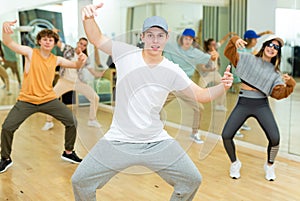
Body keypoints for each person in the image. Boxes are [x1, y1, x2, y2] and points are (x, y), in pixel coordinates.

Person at [71, 3, 233, 201]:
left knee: (192, 180)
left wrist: (223, 86)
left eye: (160, 36)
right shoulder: (126, 54)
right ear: (142, 37)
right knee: (80, 181)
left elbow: (201, 95)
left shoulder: (172, 70)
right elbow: (96, 38)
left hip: (156, 141)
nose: (155, 40)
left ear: (167, 38)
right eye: (150, 35)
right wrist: (88, 18)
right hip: (118, 140)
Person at [0, 20, 86, 173]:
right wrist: (5, 30)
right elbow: (9, 43)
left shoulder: (56, 59)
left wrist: (80, 61)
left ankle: (68, 152)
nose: (47, 42)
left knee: (72, 121)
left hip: (48, 100)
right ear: (39, 41)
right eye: (44, 39)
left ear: (54, 43)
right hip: (26, 101)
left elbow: (76, 66)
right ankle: (5, 158)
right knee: (7, 127)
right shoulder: (30, 52)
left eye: (51, 40)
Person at [221, 34, 296, 181]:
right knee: (226, 135)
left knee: (275, 138)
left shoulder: (275, 74)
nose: (272, 48)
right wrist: (234, 40)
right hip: (243, 102)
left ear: (278, 52)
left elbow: (279, 94)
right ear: (265, 45)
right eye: (270, 44)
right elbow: (229, 52)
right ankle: (235, 163)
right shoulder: (248, 59)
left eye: (276, 47)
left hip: (261, 105)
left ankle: (269, 165)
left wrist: (291, 84)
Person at [163, 28, 219, 144]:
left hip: (185, 86)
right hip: (171, 85)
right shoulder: (172, 48)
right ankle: (149, 129)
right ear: (182, 39)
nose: (188, 41)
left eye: (190, 39)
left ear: (193, 40)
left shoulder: (196, 53)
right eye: (186, 38)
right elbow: (161, 42)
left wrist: (214, 55)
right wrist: (164, 33)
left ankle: (194, 133)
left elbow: (211, 58)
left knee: (199, 108)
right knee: (156, 106)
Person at [41, 37, 105, 131]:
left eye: (84, 45)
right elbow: (58, 43)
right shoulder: (68, 49)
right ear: (77, 43)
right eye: (81, 43)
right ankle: (49, 122)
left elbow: (93, 72)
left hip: (78, 82)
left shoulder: (85, 58)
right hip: (65, 81)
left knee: (95, 98)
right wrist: (53, 34)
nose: (82, 46)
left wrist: (99, 74)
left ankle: (92, 120)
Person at [234, 29, 274, 136]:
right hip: (239, 80)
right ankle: (235, 128)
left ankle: (241, 123)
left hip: (246, 80)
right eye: (255, 39)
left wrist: (264, 33)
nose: (256, 41)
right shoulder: (242, 50)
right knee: (239, 105)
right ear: (249, 40)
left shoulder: (249, 48)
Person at [202, 32, 237, 111]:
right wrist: (209, 69)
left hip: (215, 74)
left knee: (223, 87)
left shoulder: (215, 49)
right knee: (198, 90)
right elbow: (202, 68)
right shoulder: (205, 55)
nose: (215, 45)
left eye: (215, 44)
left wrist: (229, 34)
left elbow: (222, 41)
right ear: (208, 46)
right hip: (206, 75)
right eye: (213, 45)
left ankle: (219, 104)